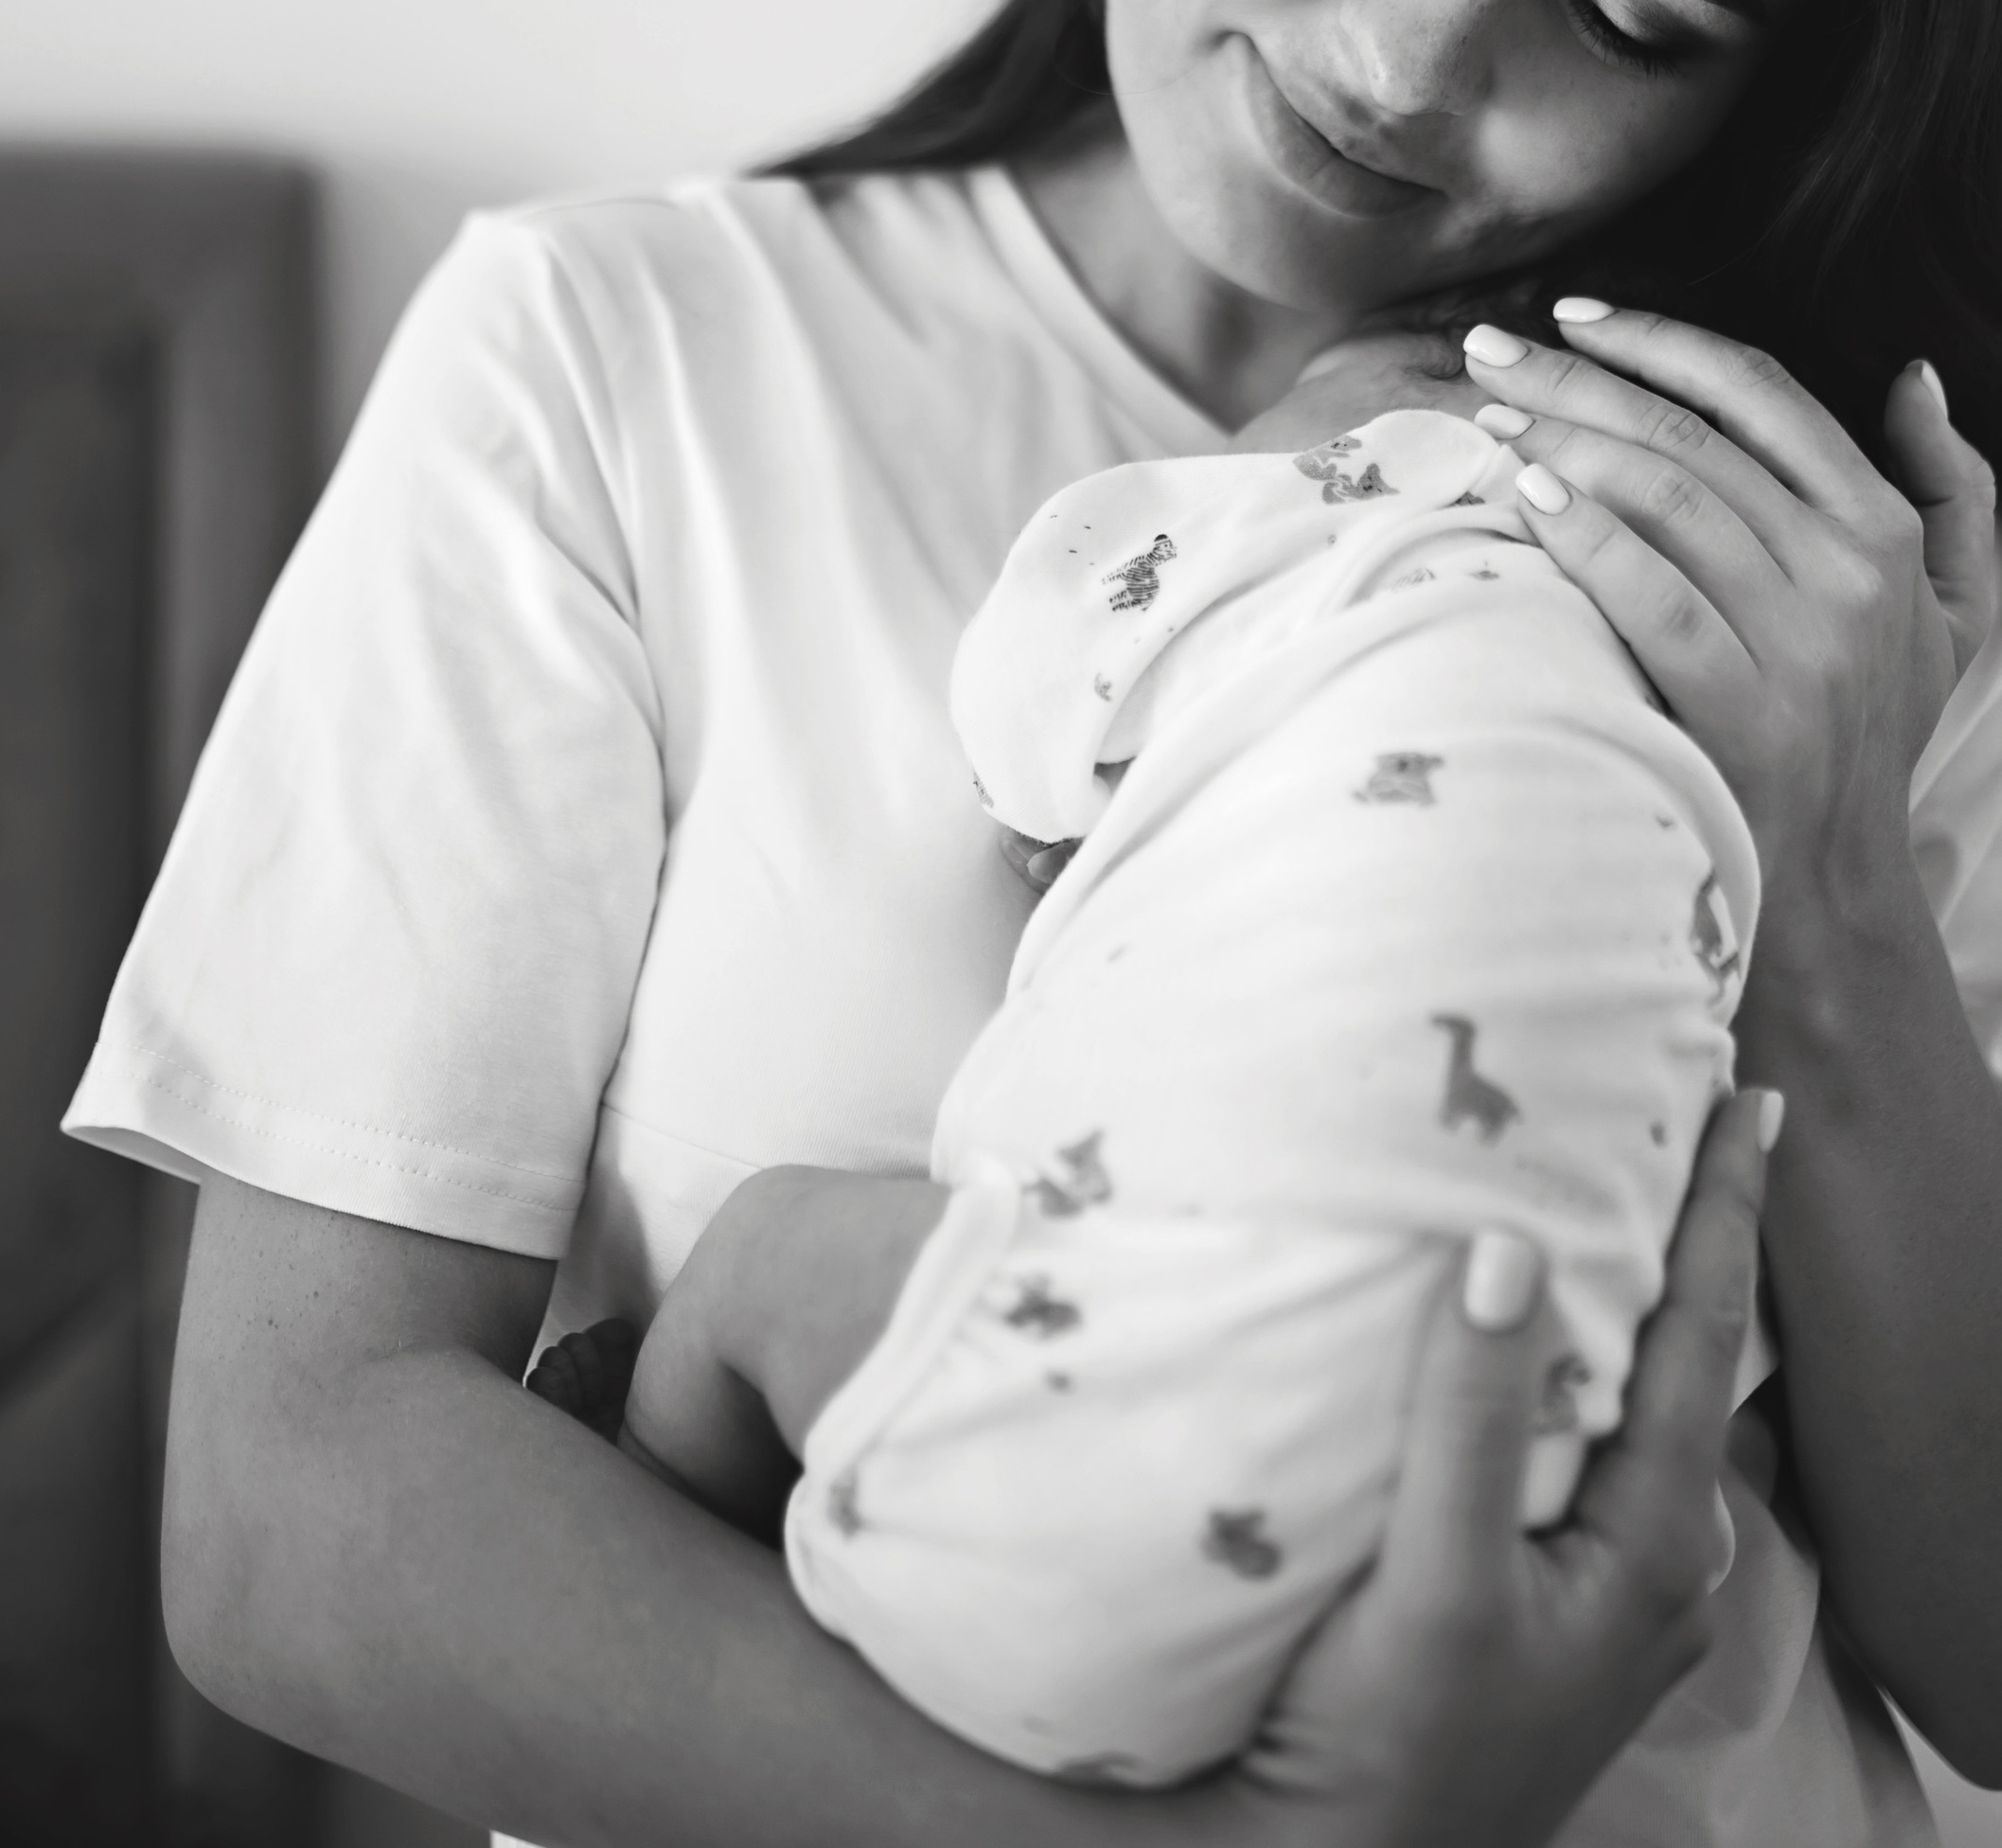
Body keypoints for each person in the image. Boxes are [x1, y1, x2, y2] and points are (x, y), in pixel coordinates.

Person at [67, 0, 2002, 1843]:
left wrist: (1842, 906)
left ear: (1797, 81)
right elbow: (291, 1519)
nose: (1414, 51)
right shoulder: (621, 359)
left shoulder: (1828, 552)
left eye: (1627, 10)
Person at [607, 327, 1762, 1786]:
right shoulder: (1698, 735)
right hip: (1467, 1571)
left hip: (1051, 1496)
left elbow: (1018, 723)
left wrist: (1068, 765)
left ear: (1412, 399)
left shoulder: (1344, 493)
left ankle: (646, 1468)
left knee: (766, 1243)